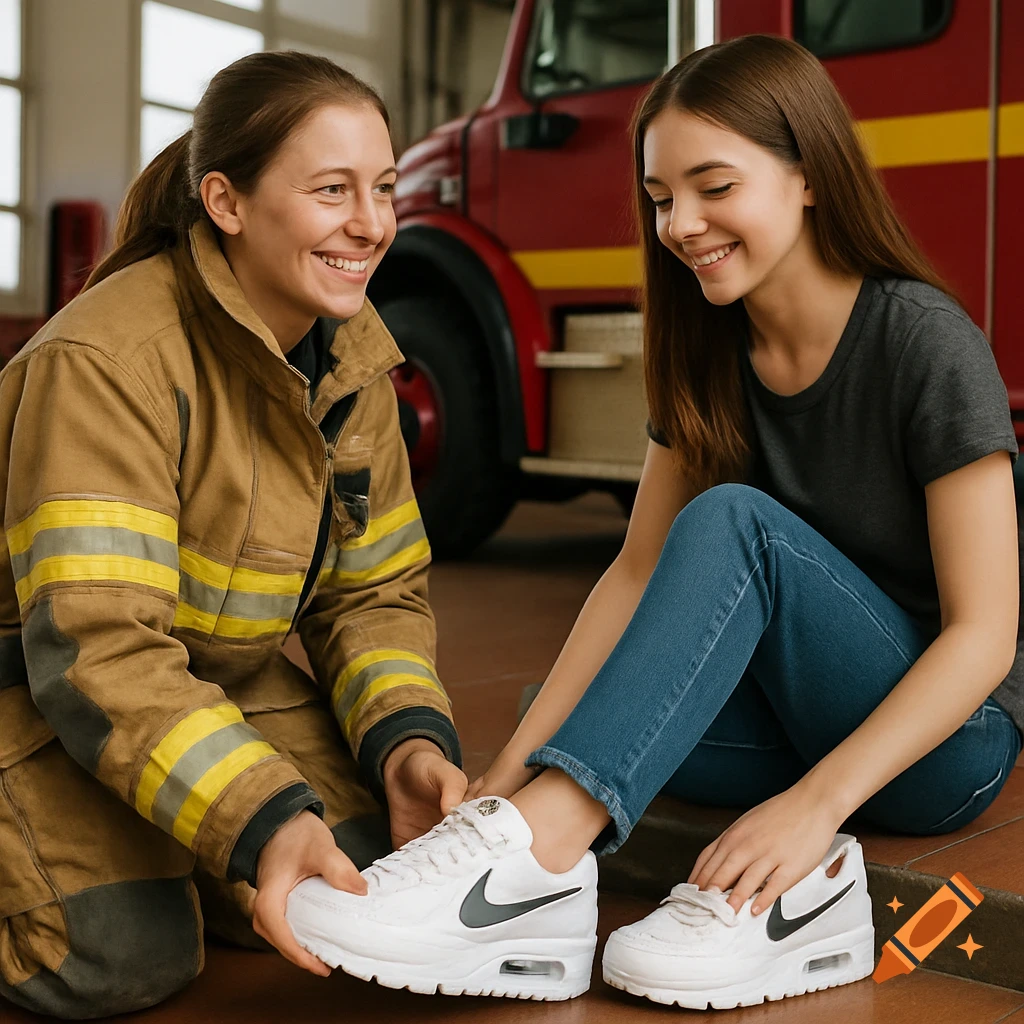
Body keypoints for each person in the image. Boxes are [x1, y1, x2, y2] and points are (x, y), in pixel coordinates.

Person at [284, 34, 1023, 1010]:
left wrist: (812, 807)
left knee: (732, 526)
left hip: (941, 746)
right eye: (662, 197)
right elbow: (633, 577)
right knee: (564, 709)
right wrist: (498, 785)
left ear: (808, 177)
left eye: (714, 186)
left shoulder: (921, 340)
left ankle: (530, 872)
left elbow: (983, 637)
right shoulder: (707, 345)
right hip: (800, 720)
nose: (682, 223)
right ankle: (522, 837)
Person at [0, 51, 467, 1019]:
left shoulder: (353, 361)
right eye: (331, 191)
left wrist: (407, 746)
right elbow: (100, 647)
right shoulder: (107, 360)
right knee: (116, 955)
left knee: (368, 872)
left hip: (217, 677)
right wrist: (254, 818)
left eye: (381, 188)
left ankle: (173, 831)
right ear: (226, 201)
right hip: (40, 687)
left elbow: (369, 592)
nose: (373, 224)